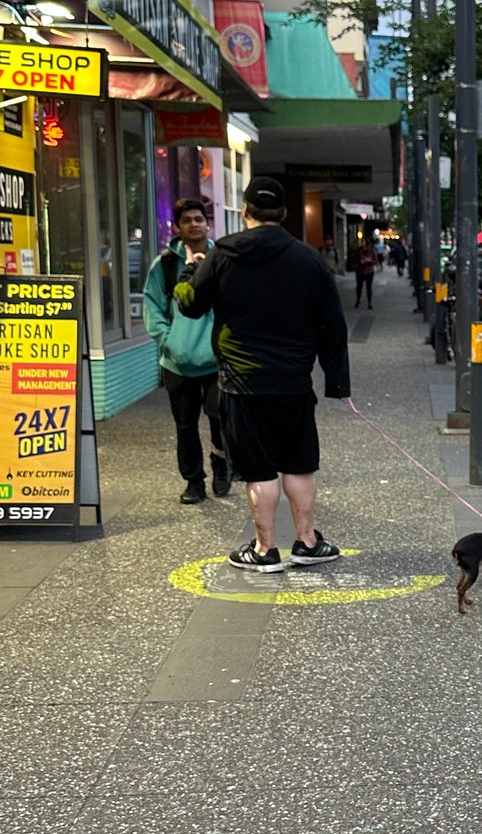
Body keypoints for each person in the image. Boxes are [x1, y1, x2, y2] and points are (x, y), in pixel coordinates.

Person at [174, 174, 351, 572]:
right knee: (300, 464)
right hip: (293, 383)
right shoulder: (309, 259)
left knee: (259, 469)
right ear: (284, 214)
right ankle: (307, 542)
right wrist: (337, 381)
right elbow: (333, 325)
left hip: (242, 383)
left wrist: (189, 272)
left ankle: (265, 549)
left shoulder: (221, 255)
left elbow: (190, 305)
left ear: (245, 211)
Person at [141, 197, 231, 505]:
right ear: (178, 227)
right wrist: (169, 340)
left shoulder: (222, 258)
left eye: (199, 219)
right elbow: (152, 305)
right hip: (178, 362)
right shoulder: (165, 264)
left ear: (208, 224)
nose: (194, 224)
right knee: (185, 425)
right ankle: (194, 481)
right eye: (187, 220)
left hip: (217, 358)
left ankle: (222, 464)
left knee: (220, 418)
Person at [354, 232, 379, 310]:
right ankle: (358, 299)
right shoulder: (359, 250)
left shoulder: (371, 250)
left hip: (369, 271)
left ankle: (369, 303)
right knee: (359, 286)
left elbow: (375, 260)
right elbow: (354, 259)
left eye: (364, 241)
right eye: (362, 242)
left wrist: (369, 261)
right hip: (360, 270)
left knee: (369, 287)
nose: (362, 243)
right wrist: (359, 261)